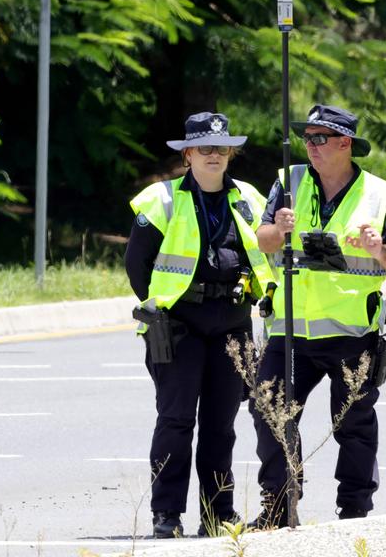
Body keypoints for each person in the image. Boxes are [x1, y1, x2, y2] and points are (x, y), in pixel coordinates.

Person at [252, 104, 386, 529]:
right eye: (307, 139)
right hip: (290, 329)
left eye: (319, 139)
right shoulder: (287, 182)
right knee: (271, 411)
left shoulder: (380, 194)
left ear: (345, 143)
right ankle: (278, 505)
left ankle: (355, 511)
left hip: (351, 332)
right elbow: (264, 239)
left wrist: (380, 248)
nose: (310, 147)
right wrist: (280, 229)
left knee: (353, 424)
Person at [124, 111, 275, 539]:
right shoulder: (162, 200)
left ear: (231, 154)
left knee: (220, 425)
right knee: (175, 421)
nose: (214, 155)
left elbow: (269, 251)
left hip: (232, 325)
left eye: (222, 148)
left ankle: (217, 514)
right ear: (188, 154)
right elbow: (137, 265)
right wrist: (157, 311)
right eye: (205, 148)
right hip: (179, 326)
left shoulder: (249, 197)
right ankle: (166, 514)